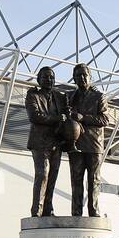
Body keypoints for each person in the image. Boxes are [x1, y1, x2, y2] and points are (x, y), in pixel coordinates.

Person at [65, 63, 109, 216]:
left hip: (93, 144)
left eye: (84, 75)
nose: (81, 78)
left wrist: (83, 117)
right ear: (74, 79)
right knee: (76, 180)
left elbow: (105, 119)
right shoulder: (69, 96)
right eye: (78, 75)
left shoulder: (99, 96)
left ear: (90, 77)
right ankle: (76, 212)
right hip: (75, 144)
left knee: (94, 180)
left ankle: (94, 211)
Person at [26, 65, 67, 217]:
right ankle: (37, 209)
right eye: (45, 77)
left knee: (53, 176)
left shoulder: (60, 97)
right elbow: (34, 116)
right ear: (39, 80)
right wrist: (56, 119)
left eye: (51, 77)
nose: (49, 80)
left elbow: (67, 114)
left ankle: (48, 209)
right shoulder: (33, 95)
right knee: (42, 174)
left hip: (56, 142)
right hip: (40, 142)